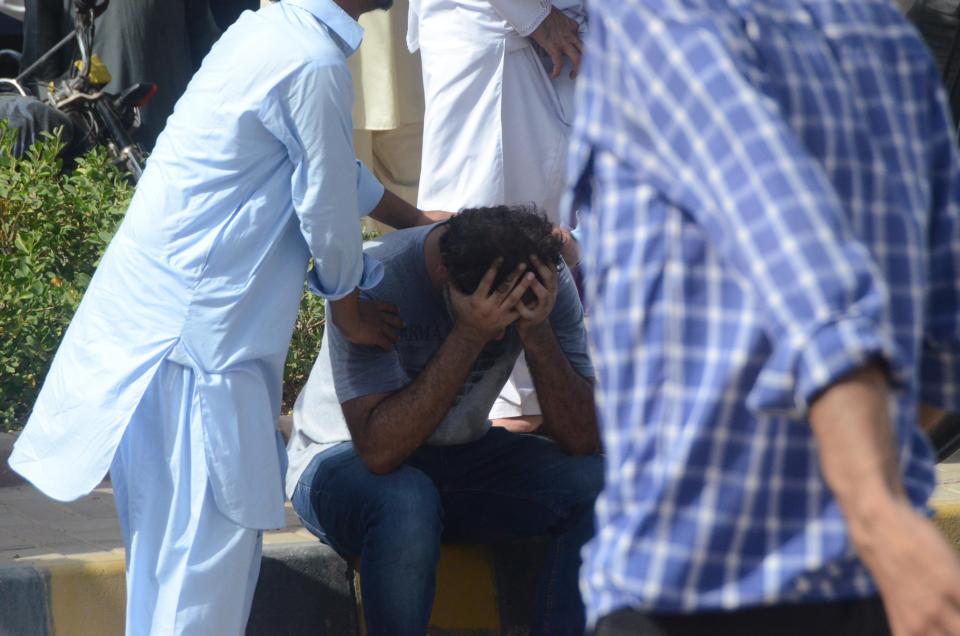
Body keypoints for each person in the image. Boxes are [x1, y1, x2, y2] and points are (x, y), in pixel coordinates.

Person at [8, 0, 442, 633]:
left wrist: (419, 222)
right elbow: (325, 208)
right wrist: (347, 311)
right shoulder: (312, 61)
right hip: (199, 369)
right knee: (198, 595)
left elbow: (327, 168)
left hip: (167, 354)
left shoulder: (269, 32)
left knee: (169, 584)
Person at [568, 1, 960, 635]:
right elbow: (941, 347)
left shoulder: (660, 19)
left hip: (691, 594)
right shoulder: (891, 40)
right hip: (870, 594)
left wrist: (875, 514)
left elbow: (804, 267)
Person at [286, 205, 603, 635]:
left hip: (460, 460)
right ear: (442, 271)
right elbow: (379, 453)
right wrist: (468, 336)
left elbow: (583, 439)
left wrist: (537, 333)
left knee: (604, 482)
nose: (499, 335)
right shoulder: (378, 277)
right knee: (405, 499)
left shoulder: (544, 277)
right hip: (338, 459)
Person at [409, 0, 587, 435]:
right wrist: (537, 18)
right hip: (495, 32)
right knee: (478, 220)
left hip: (548, 36)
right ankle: (485, 409)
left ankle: (520, 404)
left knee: (540, 214)